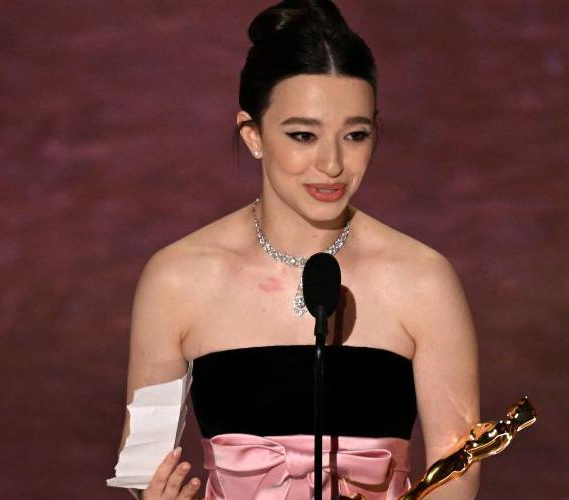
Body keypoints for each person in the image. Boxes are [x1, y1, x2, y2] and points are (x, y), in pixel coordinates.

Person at [115, 1, 480, 498]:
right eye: (303, 135)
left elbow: (458, 469)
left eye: (355, 135)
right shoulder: (178, 279)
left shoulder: (423, 280)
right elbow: (145, 464)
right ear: (254, 135)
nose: (331, 164)